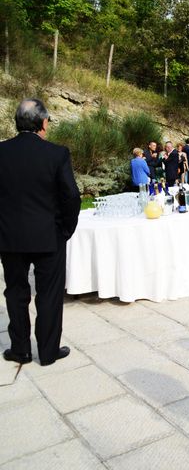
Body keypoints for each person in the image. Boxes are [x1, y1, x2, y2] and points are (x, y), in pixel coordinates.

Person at [0, 99, 81, 366]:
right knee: (49, 294)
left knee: (15, 292)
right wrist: (65, 230)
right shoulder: (57, 154)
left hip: (9, 236)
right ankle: (47, 352)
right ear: (43, 122)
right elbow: (71, 196)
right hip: (49, 236)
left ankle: (20, 350)